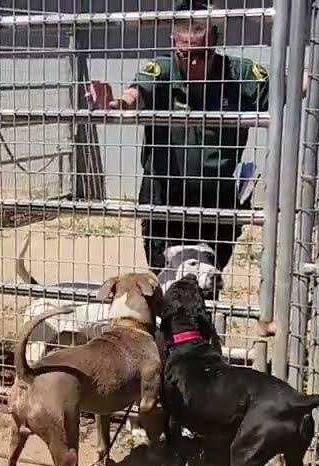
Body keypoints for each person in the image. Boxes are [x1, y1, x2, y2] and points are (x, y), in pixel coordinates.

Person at [95, 0, 269, 296]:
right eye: (183, 52)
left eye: (199, 53)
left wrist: (313, 75)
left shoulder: (239, 74)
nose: (191, 62)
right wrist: (116, 104)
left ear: (215, 39)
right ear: (173, 42)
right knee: (166, 281)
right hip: (165, 194)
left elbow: (283, 91)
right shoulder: (162, 70)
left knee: (209, 281)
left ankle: (202, 337)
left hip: (216, 196)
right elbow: (137, 94)